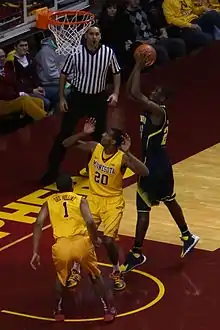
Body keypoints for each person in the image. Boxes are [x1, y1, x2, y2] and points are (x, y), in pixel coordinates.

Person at [120, 59, 200, 273]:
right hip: (160, 163)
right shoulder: (152, 110)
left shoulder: (159, 112)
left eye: (156, 91)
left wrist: (136, 64)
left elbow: (136, 95)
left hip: (153, 166)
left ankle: (136, 253)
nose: (152, 92)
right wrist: (135, 69)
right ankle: (187, 236)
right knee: (168, 199)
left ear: (163, 99)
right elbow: (130, 93)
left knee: (143, 208)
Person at [63, 119, 149, 290]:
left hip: (113, 202)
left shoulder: (122, 157)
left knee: (108, 240)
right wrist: (83, 133)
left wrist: (129, 152)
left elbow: (145, 172)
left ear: (113, 142)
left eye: (107, 134)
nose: (102, 134)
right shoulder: (95, 147)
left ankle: (116, 271)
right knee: (81, 237)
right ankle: (75, 270)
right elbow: (66, 143)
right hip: (93, 199)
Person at [41, 25, 121, 185]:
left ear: (100, 36)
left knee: (100, 136)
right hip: (78, 97)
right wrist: (62, 97)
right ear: (86, 36)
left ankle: (95, 168)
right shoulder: (76, 52)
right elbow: (63, 74)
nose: (94, 37)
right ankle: (52, 171)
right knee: (64, 134)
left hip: (98, 98)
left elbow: (116, 72)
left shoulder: (108, 53)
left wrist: (116, 93)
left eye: (97, 34)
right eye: (91, 34)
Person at [30, 174, 116, 323]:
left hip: (61, 246)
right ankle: (109, 309)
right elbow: (89, 221)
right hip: (81, 243)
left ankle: (57, 310)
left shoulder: (48, 202)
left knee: (61, 277)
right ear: (72, 186)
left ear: (57, 189)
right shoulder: (79, 200)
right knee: (95, 276)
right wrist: (95, 238)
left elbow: (38, 223)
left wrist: (35, 252)